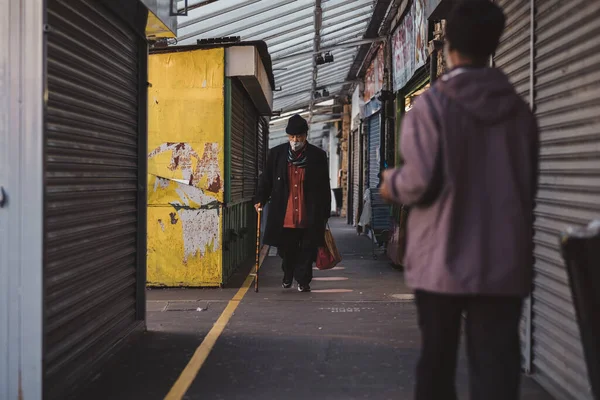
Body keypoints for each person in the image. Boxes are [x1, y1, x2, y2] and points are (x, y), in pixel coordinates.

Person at [380, 1, 540, 399]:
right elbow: (528, 186)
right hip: (503, 263)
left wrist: (391, 182)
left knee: (437, 365)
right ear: (494, 45)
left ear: (447, 47)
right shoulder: (520, 113)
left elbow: (418, 183)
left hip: (442, 263)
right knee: (497, 371)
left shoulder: (431, 108)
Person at [254, 114, 331, 292]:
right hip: (285, 214)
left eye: (299, 137)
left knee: (307, 250)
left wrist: (325, 212)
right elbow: (266, 180)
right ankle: (288, 274)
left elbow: (324, 186)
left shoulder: (317, 156)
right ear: (288, 137)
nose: (295, 141)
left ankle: (303, 281)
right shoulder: (277, 154)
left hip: (309, 213)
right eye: (292, 137)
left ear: (306, 136)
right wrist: (260, 199)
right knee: (287, 250)